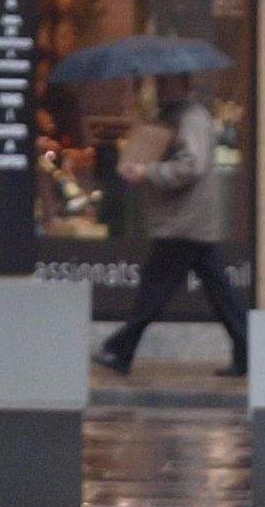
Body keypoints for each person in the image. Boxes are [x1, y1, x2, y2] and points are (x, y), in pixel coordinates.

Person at [101, 75, 251, 377]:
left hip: (184, 222)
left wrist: (148, 171)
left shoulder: (191, 118)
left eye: (164, 84)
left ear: (180, 85)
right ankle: (248, 350)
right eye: (158, 84)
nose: (159, 89)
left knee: (154, 290)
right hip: (188, 222)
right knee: (219, 292)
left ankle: (120, 349)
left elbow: (191, 166)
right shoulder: (175, 117)